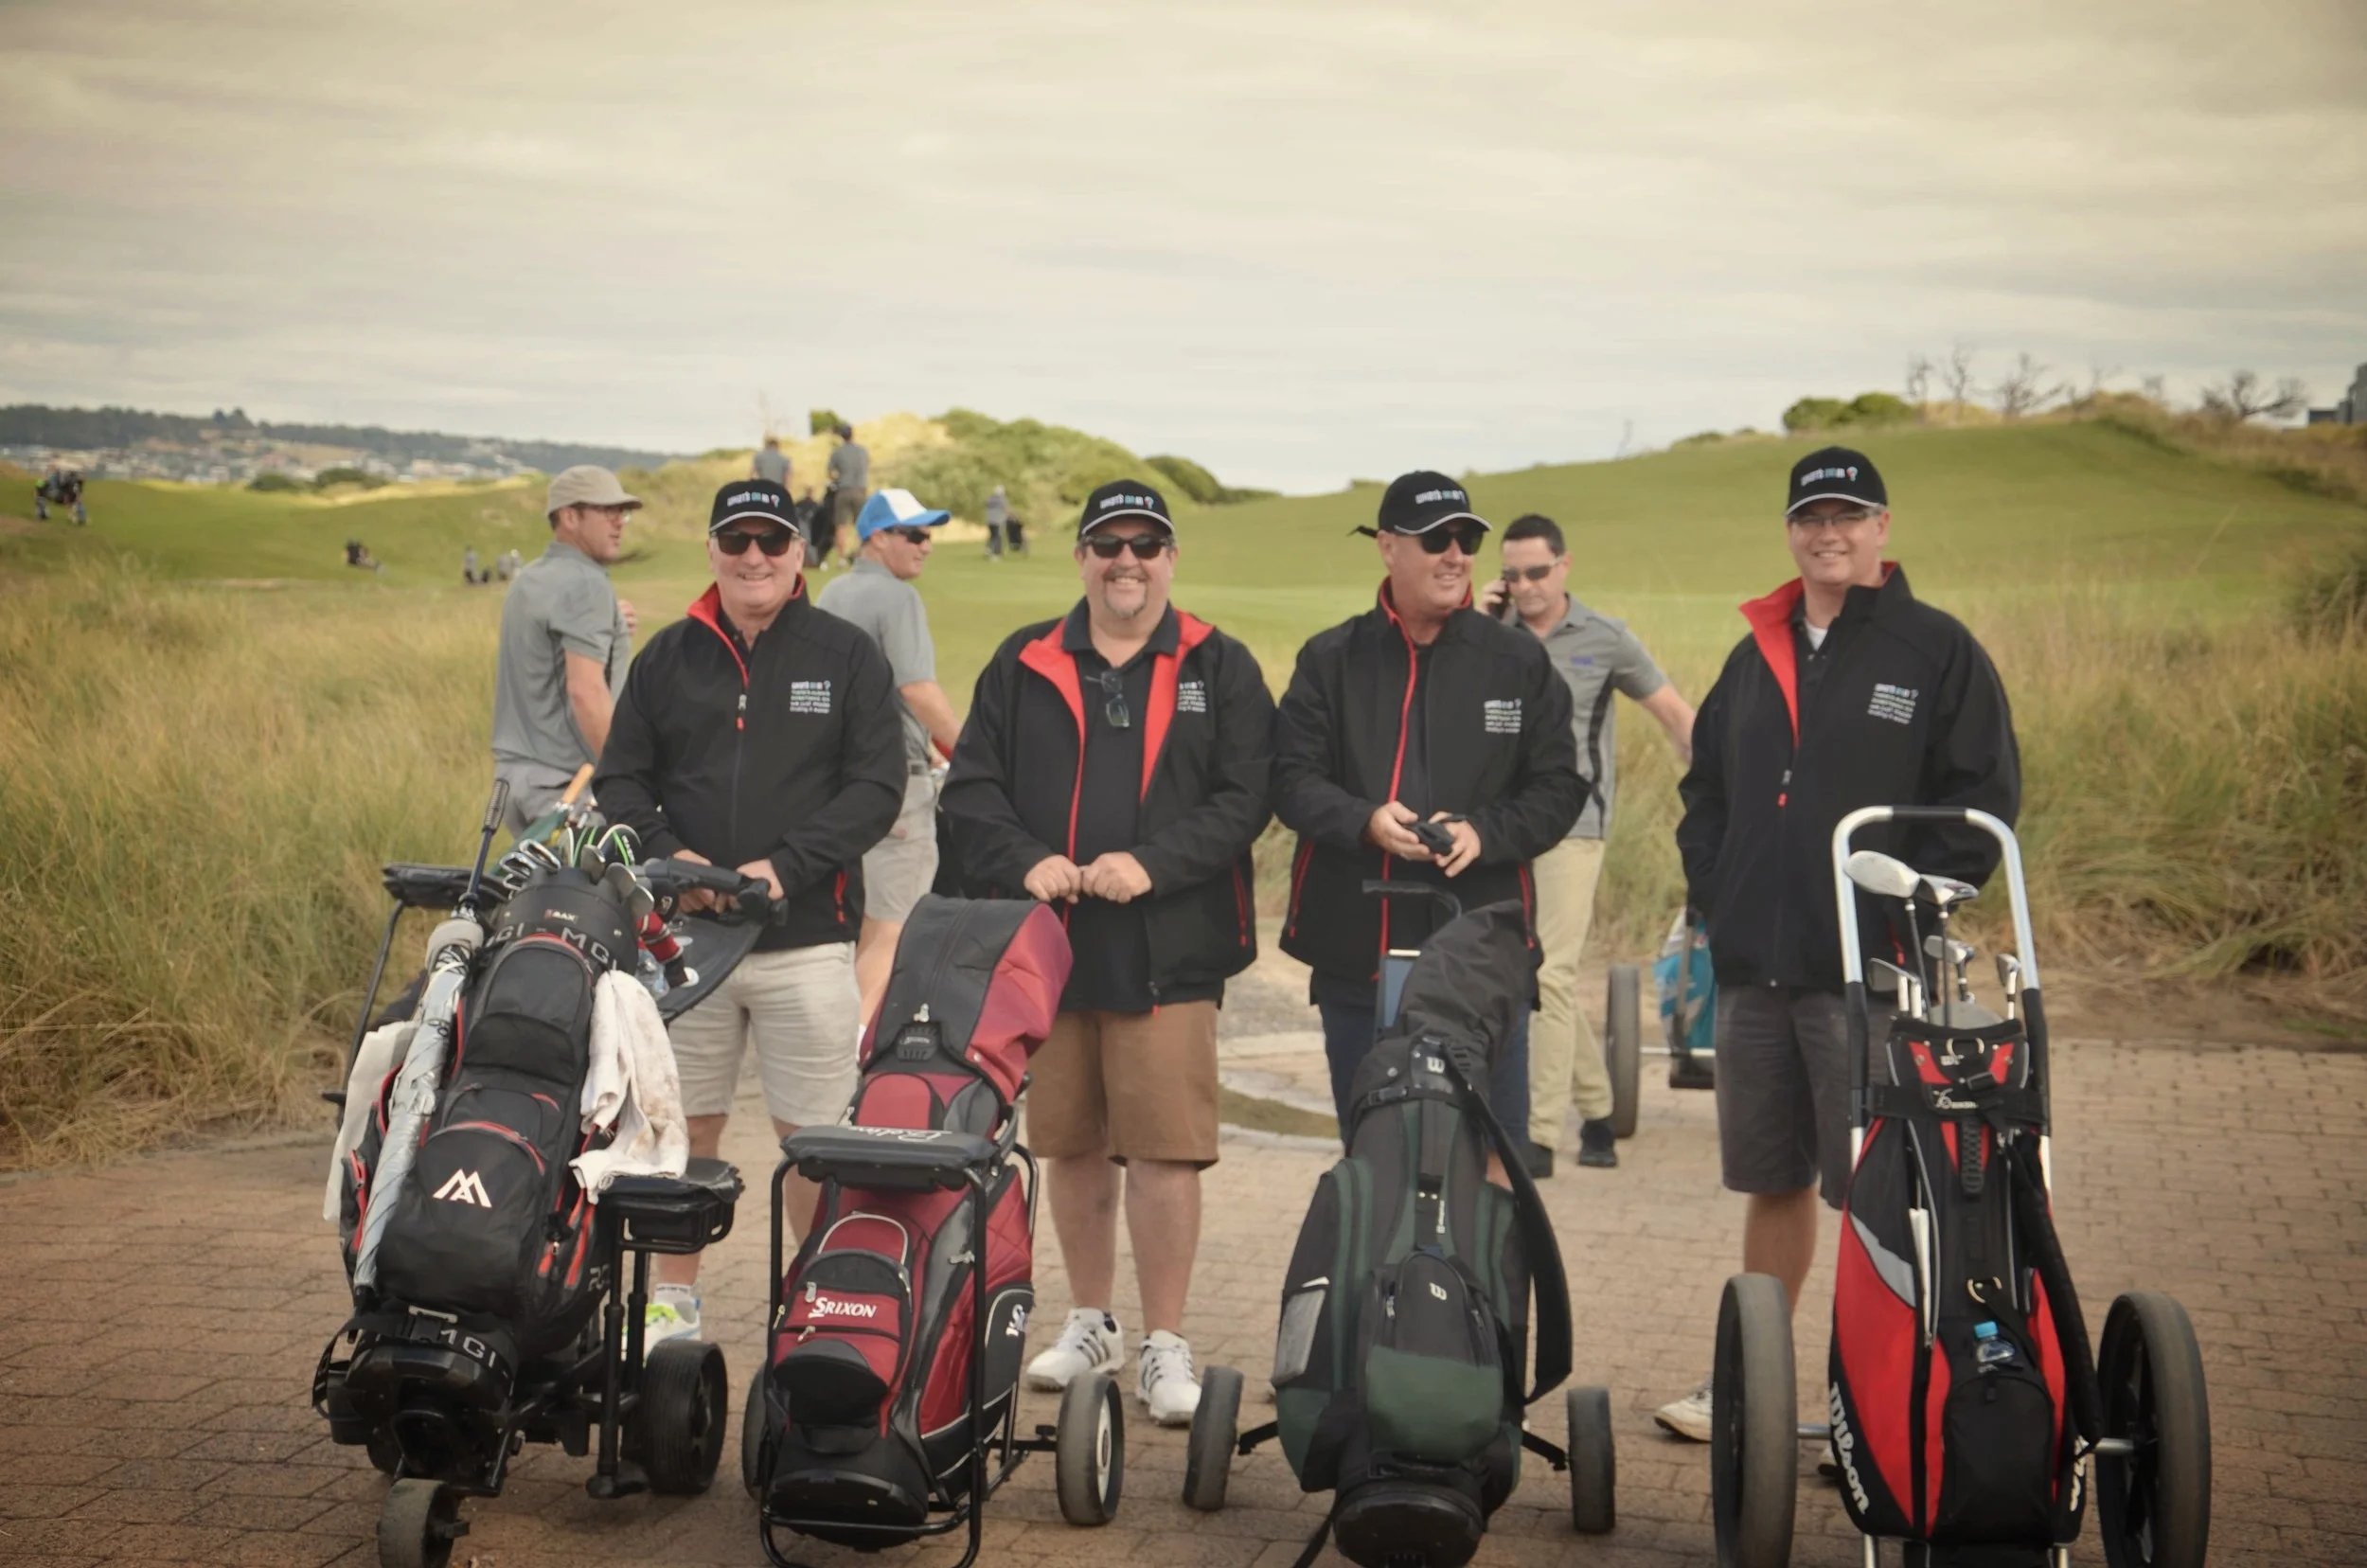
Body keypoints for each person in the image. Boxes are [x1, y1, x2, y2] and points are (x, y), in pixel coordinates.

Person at [1652, 446, 2020, 1441]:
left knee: (1878, 1191)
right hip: (1752, 975)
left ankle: (1871, 1406)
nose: (1829, 533)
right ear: (1789, 531)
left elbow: (1981, 799)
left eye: (1849, 515)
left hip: (1868, 975)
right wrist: (1719, 891)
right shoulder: (1755, 649)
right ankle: (1752, 1387)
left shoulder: (1932, 650)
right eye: (1811, 516)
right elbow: (1708, 795)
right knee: (1773, 1181)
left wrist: (1920, 907)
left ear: (1882, 527)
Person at [941, 479, 1273, 1427]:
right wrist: (1028, 861)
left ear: (1170, 556)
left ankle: (1165, 1341)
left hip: (1167, 944)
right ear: (1081, 555)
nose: (1126, 561)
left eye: (1145, 544)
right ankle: (1091, 1320)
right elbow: (972, 791)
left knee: (1164, 1151)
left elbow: (1246, 796)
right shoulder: (1025, 660)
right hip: (1049, 946)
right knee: (1073, 1145)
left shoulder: (1222, 663)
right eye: (1107, 544)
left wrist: (1152, 863)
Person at [595, 477, 906, 1348]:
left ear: (801, 552)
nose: (755, 557)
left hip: (803, 936)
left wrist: (786, 868)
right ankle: (673, 1304)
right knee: (678, 1121)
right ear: (713, 551)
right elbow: (622, 779)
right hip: (681, 940)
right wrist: (673, 858)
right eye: (739, 541)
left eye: (774, 540)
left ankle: (824, 1303)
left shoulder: (844, 654)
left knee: (812, 1132)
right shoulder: (668, 656)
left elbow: (875, 789)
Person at [1272, 471, 1584, 1148]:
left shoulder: (1516, 660)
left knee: (1493, 1155)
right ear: (1387, 547)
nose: (1456, 555)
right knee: (1374, 1150)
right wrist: (1364, 819)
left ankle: (1490, 1261)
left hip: (1481, 950)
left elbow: (1560, 787)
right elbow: (1291, 779)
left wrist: (1487, 832)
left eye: (1467, 539)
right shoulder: (1331, 658)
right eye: (1436, 539)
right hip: (1357, 948)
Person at [1478, 514, 1696, 1174]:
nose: (1526, 586)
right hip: (1502, 829)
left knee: (1547, 974)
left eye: (1537, 572)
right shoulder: (1491, 635)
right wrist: (1481, 622)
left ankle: (1538, 1135)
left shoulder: (1605, 639)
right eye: (1512, 575)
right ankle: (1598, 1109)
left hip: (1575, 827)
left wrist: (1719, 802)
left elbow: (1677, 718)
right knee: (1539, 978)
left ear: (1565, 566)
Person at [815, 487, 963, 1025]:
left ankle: (830, 1048)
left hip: (835, 784)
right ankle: (849, 1060)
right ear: (878, 537)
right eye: (916, 535)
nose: (926, 546)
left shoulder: (831, 591)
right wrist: (973, 756)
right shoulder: (898, 599)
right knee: (891, 929)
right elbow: (917, 689)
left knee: (854, 929)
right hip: (895, 787)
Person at [489, 466, 641, 837]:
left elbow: (549, 648)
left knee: (538, 896)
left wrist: (610, 624)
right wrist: (629, 781)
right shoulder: (586, 584)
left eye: (622, 512)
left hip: (512, 784)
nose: (619, 522)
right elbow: (584, 691)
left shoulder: (530, 579)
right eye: (607, 512)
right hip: (566, 790)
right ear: (569, 517)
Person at [827, 422, 869, 567]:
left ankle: (841, 559)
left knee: (841, 525)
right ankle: (862, 554)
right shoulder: (862, 451)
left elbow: (830, 472)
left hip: (844, 490)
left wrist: (837, 480)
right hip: (860, 490)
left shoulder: (837, 452)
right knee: (862, 525)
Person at [984, 483, 1009, 560]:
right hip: (997, 521)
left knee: (992, 535)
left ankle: (988, 549)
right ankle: (996, 554)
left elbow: (986, 505)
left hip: (989, 520)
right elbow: (1006, 509)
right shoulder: (1002, 500)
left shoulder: (990, 499)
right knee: (997, 537)